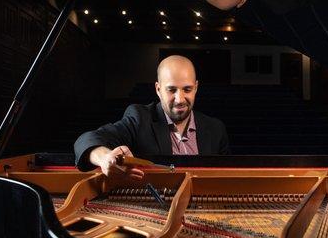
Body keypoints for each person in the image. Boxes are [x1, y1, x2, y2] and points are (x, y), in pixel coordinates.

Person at [74, 55, 230, 182]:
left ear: (196, 87)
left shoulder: (216, 129)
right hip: (156, 205)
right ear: (158, 89)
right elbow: (86, 139)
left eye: (187, 89)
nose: (180, 99)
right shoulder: (140, 118)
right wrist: (104, 158)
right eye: (171, 90)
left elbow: (226, 179)